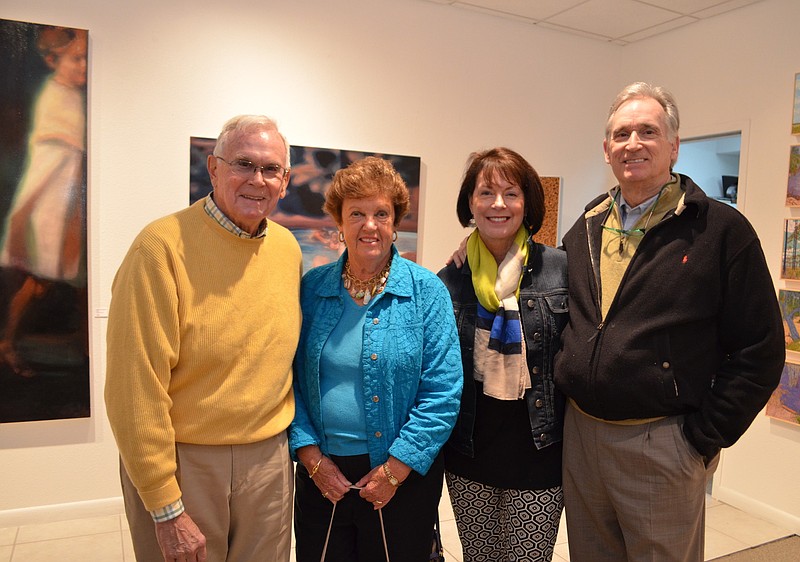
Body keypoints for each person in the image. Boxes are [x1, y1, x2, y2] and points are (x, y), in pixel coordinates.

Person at [553, 82, 785, 562]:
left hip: (661, 444)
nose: (632, 143)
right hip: (581, 439)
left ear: (673, 146)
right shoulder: (585, 226)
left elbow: (759, 349)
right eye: (621, 134)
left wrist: (700, 439)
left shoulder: (719, 230)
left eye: (648, 131)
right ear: (606, 149)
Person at [105, 115, 301, 562]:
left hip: (269, 462)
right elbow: (133, 389)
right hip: (185, 462)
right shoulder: (158, 247)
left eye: (271, 169)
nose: (257, 180)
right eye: (243, 164)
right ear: (213, 169)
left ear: (285, 181)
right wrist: (165, 504)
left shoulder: (287, 249)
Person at [289, 156, 462, 561]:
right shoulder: (312, 290)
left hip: (400, 480)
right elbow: (288, 383)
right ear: (339, 222)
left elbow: (443, 392)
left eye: (381, 213)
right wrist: (311, 458)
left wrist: (394, 470)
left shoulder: (426, 292)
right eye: (357, 214)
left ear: (396, 222)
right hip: (321, 476)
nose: (370, 225)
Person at [437, 147, 569, 561]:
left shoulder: (562, 270)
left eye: (511, 193)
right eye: (486, 193)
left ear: (527, 202)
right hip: (469, 454)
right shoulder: (449, 279)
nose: (498, 204)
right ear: (470, 203)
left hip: (539, 453)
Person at [0, 26, 87, 378]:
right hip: (50, 207)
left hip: (69, 208)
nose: (83, 66)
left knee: (71, 279)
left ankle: (85, 345)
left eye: (84, 58)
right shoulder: (54, 97)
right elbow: (57, 154)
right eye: (75, 59)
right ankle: (8, 341)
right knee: (41, 280)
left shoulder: (74, 97)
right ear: (52, 60)